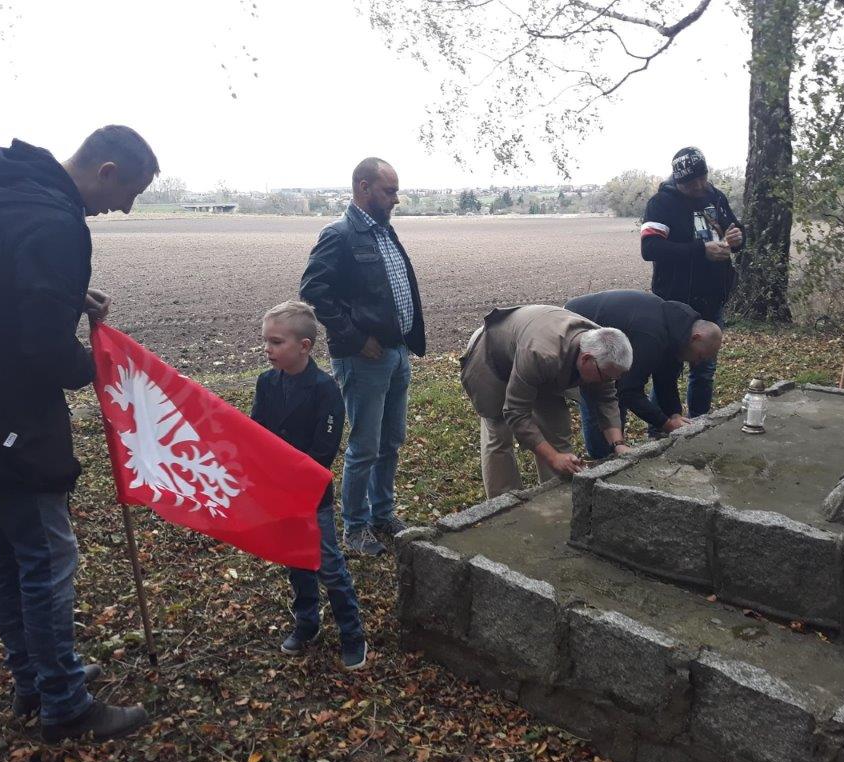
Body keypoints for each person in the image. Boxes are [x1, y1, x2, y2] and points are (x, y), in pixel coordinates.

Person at [0, 126, 158, 742]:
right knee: (47, 558)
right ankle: (64, 701)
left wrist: (64, 297)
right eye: (128, 192)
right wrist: (95, 367)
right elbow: (40, 349)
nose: (124, 210)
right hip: (12, 423)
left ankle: (33, 676)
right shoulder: (55, 223)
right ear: (106, 170)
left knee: (5, 552)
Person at [300, 158, 425, 557]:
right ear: (364, 186)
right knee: (365, 446)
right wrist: (354, 339)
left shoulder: (384, 232)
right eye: (389, 191)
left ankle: (383, 514)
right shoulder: (339, 235)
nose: (395, 199)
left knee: (391, 440)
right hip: (364, 358)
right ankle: (355, 528)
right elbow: (314, 291)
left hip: (397, 352)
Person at [249, 300, 368, 671]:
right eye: (266, 342)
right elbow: (257, 433)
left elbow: (324, 450)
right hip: (277, 493)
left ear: (304, 346)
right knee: (294, 560)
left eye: (277, 342)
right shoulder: (266, 383)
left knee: (328, 565)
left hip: (311, 494)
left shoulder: (325, 389)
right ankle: (306, 621)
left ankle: (352, 632)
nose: (268, 349)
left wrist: (291, 479)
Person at [460, 305, 633, 499]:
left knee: (557, 430)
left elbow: (605, 398)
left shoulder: (602, 347)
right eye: (606, 376)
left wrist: (618, 444)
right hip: (492, 356)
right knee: (499, 434)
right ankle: (505, 505)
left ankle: (556, 497)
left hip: (536, 361)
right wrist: (552, 457)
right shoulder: (542, 354)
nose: (608, 382)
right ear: (586, 360)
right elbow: (515, 412)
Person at [641, 146, 745, 418]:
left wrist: (737, 239)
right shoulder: (660, 204)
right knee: (668, 369)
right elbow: (650, 249)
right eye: (691, 182)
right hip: (674, 301)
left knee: (705, 368)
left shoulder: (716, 197)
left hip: (712, 299)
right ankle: (662, 428)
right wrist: (701, 251)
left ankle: (701, 423)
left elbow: (734, 229)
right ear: (678, 180)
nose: (699, 186)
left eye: (703, 177)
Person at [565, 290, 723, 459]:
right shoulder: (652, 335)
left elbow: (666, 380)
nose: (697, 363)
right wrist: (667, 424)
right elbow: (629, 391)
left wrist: (675, 414)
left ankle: (615, 451)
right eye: (700, 356)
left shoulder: (678, 330)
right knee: (600, 398)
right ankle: (602, 459)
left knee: (616, 401)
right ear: (696, 338)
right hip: (577, 322)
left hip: (617, 331)